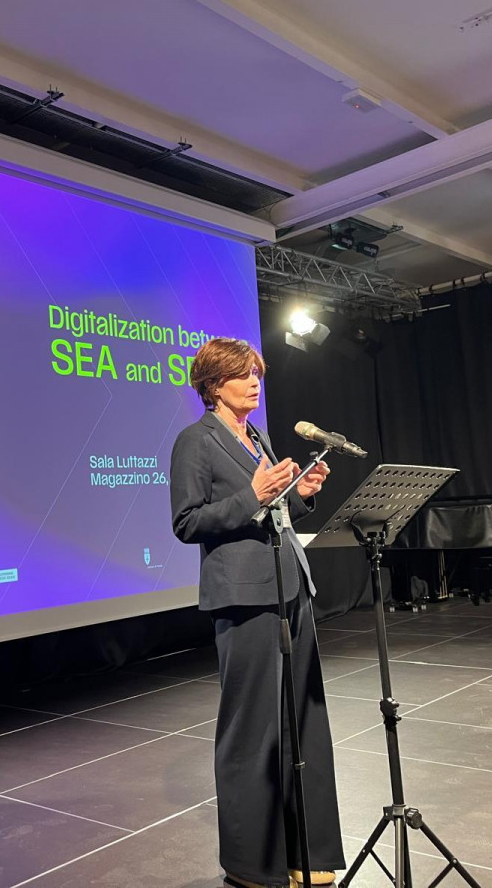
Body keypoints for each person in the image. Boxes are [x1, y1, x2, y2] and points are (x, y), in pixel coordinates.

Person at [169, 337, 345, 888]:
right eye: (243, 375)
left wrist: (300, 492)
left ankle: (305, 853)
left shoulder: (258, 437)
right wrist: (253, 494)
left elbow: (274, 508)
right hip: (243, 596)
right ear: (213, 384)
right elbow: (187, 522)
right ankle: (251, 863)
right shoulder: (195, 441)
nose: (254, 383)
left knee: (302, 723)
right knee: (252, 730)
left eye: (257, 375)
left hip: (290, 584)